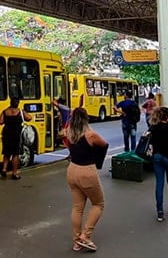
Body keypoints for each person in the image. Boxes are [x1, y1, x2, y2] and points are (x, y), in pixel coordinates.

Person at [63, 107, 107, 252]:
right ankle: (86, 236)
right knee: (98, 204)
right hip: (86, 171)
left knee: (77, 207)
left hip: (72, 170)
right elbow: (104, 144)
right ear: (86, 118)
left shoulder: (69, 132)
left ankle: (76, 241)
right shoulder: (90, 134)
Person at [0, 97, 32, 180]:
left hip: (6, 134)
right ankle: (14, 173)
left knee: (6, 153)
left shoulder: (5, 111)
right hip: (16, 135)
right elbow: (29, 118)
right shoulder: (20, 112)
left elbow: (0, 122)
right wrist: (23, 112)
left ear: (10, 103)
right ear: (18, 103)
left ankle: (4, 169)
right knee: (15, 154)